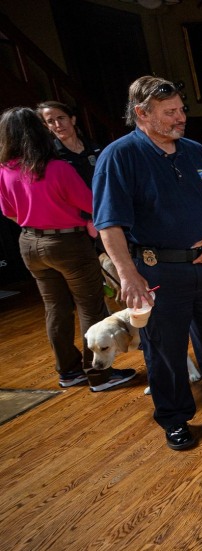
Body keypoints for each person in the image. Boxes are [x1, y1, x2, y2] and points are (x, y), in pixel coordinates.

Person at [93, 76, 202, 451]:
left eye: (181, 109)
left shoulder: (194, 152)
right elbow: (108, 224)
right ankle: (174, 418)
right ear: (142, 114)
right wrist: (128, 275)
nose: (180, 117)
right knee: (165, 349)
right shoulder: (120, 156)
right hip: (156, 271)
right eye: (169, 112)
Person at [0, 107, 135, 392]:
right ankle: (98, 376)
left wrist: (34, 222)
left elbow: (8, 212)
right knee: (90, 306)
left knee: (55, 309)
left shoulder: (5, 171)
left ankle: (69, 372)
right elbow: (93, 206)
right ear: (40, 132)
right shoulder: (58, 168)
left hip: (29, 242)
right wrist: (81, 220)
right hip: (67, 243)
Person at [36, 101, 102, 188]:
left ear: (73, 120)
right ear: (47, 126)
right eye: (51, 121)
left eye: (61, 118)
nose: (58, 124)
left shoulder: (96, 147)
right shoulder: (50, 156)